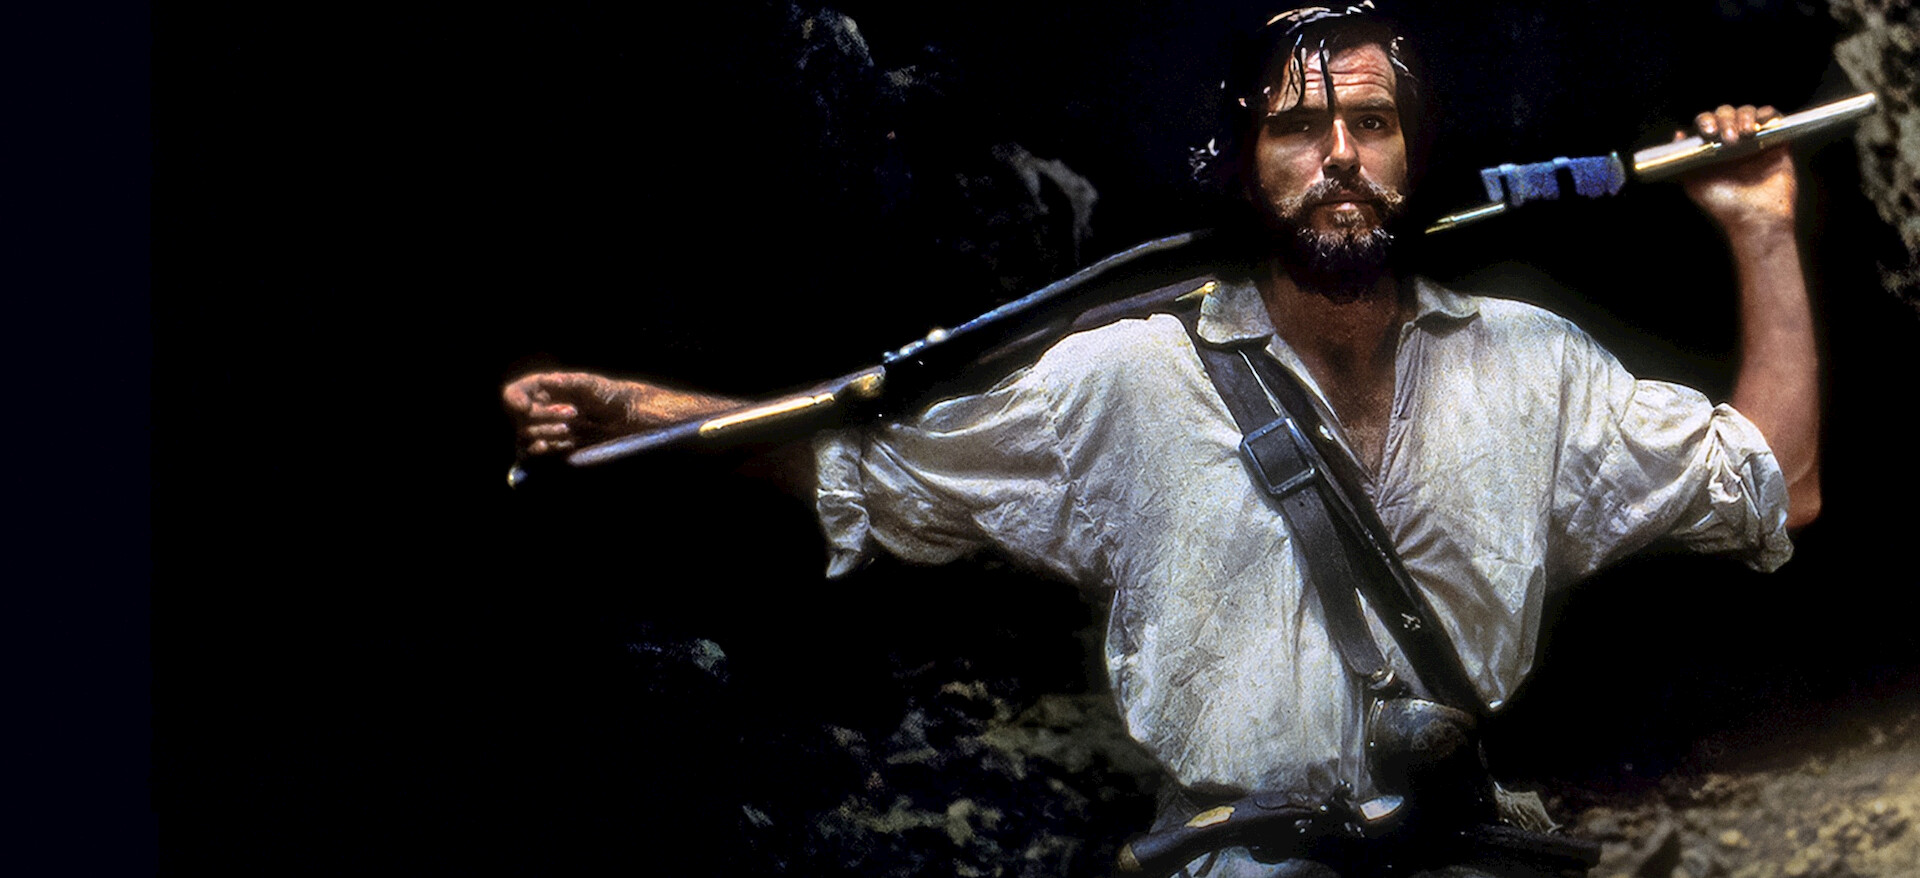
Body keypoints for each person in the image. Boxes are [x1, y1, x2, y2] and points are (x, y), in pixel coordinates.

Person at [503, 6, 1819, 874]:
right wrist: (646, 413)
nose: (1339, 156)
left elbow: (1778, 484)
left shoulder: (1536, 365)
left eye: (1370, 124)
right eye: (1297, 129)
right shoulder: (1126, 376)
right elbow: (871, 470)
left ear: (1414, 156)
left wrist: (1761, 229)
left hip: (1461, 851)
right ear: (1248, 165)